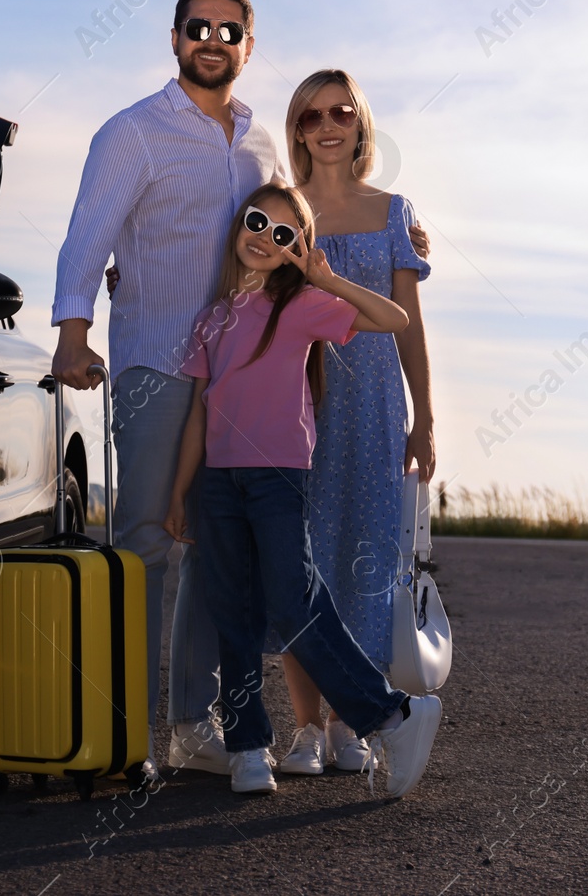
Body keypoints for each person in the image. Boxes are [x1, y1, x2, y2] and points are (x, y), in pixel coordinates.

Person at [50, 0, 279, 777]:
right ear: (174, 37)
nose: (211, 41)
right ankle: (125, 736)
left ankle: (192, 726)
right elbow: (88, 236)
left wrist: (396, 222)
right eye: (197, 28)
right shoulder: (133, 132)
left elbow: (292, 229)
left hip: (237, 378)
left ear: (249, 44)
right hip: (153, 362)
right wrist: (72, 335)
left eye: (228, 30)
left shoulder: (260, 142)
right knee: (144, 542)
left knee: (217, 550)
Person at [162, 183, 442, 797]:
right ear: (240, 225)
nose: (266, 238)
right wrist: (181, 490)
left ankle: (391, 714)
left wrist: (327, 278)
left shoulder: (305, 305)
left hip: (279, 478)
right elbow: (200, 415)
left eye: (285, 234)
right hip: (218, 482)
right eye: (259, 223)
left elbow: (392, 319)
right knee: (234, 612)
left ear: (300, 250)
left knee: (294, 605)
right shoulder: (213, 317)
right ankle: (246, 748)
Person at [271, 69, 437, 776]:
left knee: (366, 563)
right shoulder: (281, 209)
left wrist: (423, 415)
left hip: (373, 408)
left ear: (361, 124)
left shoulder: (394, 211)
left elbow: (411, 325)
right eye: (311, 117)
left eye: (342, 112)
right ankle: (306, 726)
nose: (328, 125)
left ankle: (349, 722)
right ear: (298, 130)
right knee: (302, 561)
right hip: (297, 404)